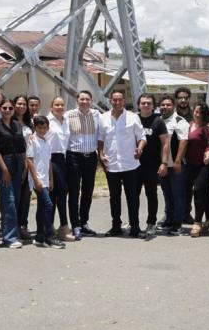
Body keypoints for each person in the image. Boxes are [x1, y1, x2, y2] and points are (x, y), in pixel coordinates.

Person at [98, 90, 146, 238]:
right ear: (110, 101)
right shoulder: (103, 118)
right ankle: (116, 227)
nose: (117, 102)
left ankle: (135, 227)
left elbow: (142, 136)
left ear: (124, 101)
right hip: (112, 164)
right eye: (114, 100)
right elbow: (100, 139)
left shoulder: (133, 117)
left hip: (130, 164)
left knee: (132, 197)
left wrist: (140, 148)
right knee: (114, 197)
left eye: (120, 100)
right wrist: (100, 154)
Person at [0, 97, 25, 249]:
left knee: (13, 200)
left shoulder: (17, 124)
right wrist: (4, 170)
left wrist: (23, 168)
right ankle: (10, 238)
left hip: (18, 163)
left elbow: (22, 146)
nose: (8, 111)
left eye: (10, 108)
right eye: (5, 108)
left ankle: (9, 231)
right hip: (3, 164)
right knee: (8, 199)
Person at [64, 90, 101, 238]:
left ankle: (84, 222)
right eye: (82, 99)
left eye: (87, 99)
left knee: (88, 191)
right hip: (74, 157)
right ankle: (75, 225)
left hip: (90, 157)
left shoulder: (97, 115)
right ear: (77, 100)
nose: (84, 101)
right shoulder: (68, 115)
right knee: (74, 192)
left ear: (91, 101)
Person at [27, 114, 65, 248]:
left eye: (45, 127)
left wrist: (51, 179)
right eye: (39, 127)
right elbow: (30, 161)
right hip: (37, 179)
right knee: (48, 205)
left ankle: (39, 237)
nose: (42, 130)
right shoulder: (32, 140)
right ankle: (49, 236)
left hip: (46, 179)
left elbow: (49, 162)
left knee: (42, 206)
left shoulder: (47, 141)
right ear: (35, 127)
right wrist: (36, 179)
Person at [136, 93, 170, 234]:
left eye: (149, 103)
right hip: (134, 165)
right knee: (133, 195)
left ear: (153, 106)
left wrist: (164, 163)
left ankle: (151, 223)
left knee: (151, 194)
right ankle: (134, 223)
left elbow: (165, 143)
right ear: (138, 105)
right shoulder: (134, 119)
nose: (145, 105)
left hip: (151, 165)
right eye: (143, 103)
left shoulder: (158, 121)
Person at [160, 94, 190, 235]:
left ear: (173, 106)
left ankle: (177, 224)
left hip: (176, 166)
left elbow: (183, 142)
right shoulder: (159, 121)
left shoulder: (179, 121)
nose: (165, 107)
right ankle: (169, 220)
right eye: (163, 105)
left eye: (168, 105)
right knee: (167, 194)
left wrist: (178, 161)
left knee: (178, 195)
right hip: (163, 166)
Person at [184, 102, 209, 238]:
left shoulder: (207, 128)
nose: (198, 114)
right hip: (190, 165)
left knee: (197, 190)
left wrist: (208, 153)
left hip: (205, 164)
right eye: (196, 111)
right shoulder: (189, 125)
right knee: (205, 191)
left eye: (201, 112)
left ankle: (197, 222)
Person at [47, 97, 74, 242]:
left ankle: (51, 227)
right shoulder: (47, 121)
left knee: (58, 193)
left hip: (64, 158)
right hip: (51, 158)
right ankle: (63, 227)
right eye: (56, 104)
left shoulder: (66, 121)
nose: (59, 107)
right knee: (61, 193)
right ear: (51, 106)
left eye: (62, 104)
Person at [172, 87, 195, 225]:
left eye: (185, 97)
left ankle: (186, 213)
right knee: (173, 189)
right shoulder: (171, 116)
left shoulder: (195, 115)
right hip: (175, 158)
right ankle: (171, 213)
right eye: (180, 97)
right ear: (176, 99)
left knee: (188, 189)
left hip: (192, 158)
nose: (183, 100)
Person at [13, 95, 35, 241]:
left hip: (30, 161)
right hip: (15, 160)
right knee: (15, 196)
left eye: (23, 104)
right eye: (18, 104)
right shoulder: (10, 122)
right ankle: (12, 226)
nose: (21, 106)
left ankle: (23, 225)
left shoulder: (29, 123)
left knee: (26, 195)